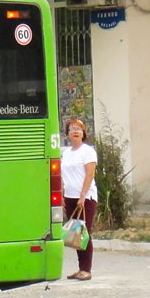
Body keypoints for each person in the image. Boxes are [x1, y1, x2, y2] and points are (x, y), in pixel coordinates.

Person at [61, 117, 98, 280]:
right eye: (72, 129)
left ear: (83, 133)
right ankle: (80, 268)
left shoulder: (88, 151)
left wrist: (83, 196)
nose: (75, 131)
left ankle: (86, 269)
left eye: (78, 129)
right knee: (75, 234)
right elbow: (63, 176)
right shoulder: (66, 153)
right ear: (68, 134)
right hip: (69, 197)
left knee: (84, 232)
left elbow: (90, 174)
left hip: (85, 198)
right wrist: (62, 196)